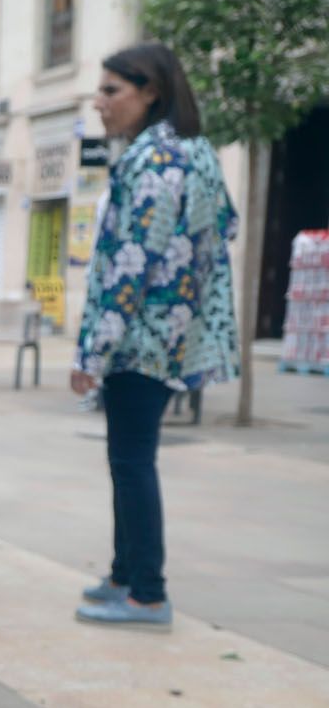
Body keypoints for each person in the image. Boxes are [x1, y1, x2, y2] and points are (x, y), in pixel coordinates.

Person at [71, 43, 238, 630]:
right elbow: (226, 226)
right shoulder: (189, 155)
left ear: (151, 94)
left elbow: (131, 265)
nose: (100, 102)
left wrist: (93, 350)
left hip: (142, 339)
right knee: (128, 460)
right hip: (166, 332)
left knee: (133, 461)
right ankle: (124, 575)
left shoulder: (157, 162)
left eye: (112, 90)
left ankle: (148, 592)